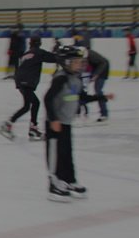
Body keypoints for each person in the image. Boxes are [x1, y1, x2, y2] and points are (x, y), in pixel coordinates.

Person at [44, 45, 114, 202]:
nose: (80, 65)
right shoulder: (60, 78)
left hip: (67, 122)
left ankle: (69, 180)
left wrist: (103, 97)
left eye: (81, 62)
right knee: (55, 155)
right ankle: (54, 184)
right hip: (55, 123)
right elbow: (47, 99)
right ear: (66, 62)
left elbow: (83, 97)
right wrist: (53, 119)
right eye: (76, 62)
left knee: (67, 153)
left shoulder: (76, 78)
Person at [0, 36, 57, 141]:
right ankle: (9, 124)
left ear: (30, 43)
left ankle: (32, 129)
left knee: (34, 103)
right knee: (27, 106)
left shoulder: (26, 54)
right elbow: (53, 58)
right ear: (39, 43)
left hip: (20, 81)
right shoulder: (38, 52)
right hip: (27, 82)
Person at [86, 48, 110, 124]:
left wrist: (96, 75)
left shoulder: (91, 55)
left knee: (98, 90)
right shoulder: (84, 55)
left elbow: (103, 63)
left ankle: (104, 113)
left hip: (103, 70)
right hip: (97, 69)